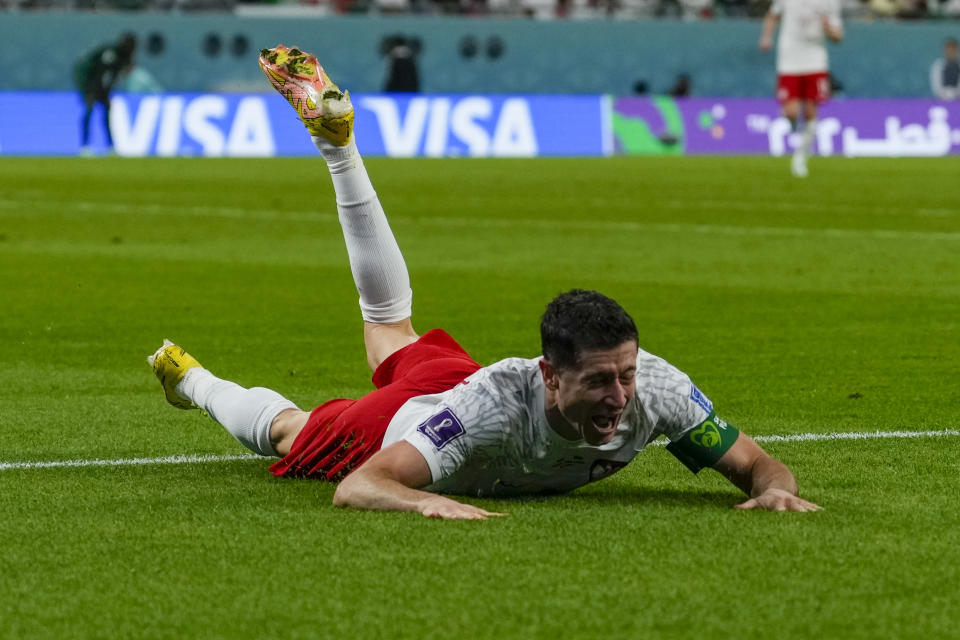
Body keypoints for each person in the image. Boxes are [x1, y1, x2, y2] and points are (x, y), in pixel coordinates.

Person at [148, 45, 822, 520]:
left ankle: (339, 149)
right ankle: (193, 381)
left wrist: (774, 488)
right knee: (294, 431)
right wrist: (425, 499)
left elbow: (757, 464)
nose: (620, 394)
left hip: (458, 381)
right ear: (551, 375)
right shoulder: (493, 408)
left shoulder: (657, 391)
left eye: (625, 375)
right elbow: (362, 487)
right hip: (410, 420)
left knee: (392, 330)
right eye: (601, 382)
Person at [759, 0, 843, 178]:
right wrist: (766, 37)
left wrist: (828, 28)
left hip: (815, 61)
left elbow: (838, 37)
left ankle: (800, 157)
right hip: (789, 60)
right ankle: (793, 125)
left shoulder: (831, 3)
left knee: (811, 112)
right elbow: (772, 16)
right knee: (791, 112)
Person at [72, 33, 137, 156]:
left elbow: (115, 76)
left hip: (103, 90)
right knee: (89, 114)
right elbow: (98, 73)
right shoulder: (110, 54)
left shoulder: (124, 58)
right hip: (91, 87)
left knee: (106, 117)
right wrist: (89, 91)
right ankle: (85, 146)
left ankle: (110, 146)